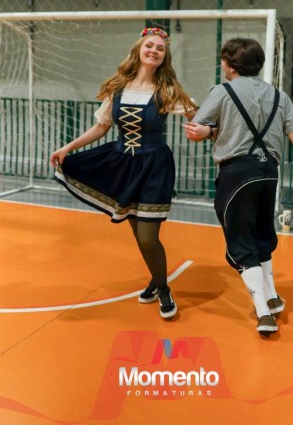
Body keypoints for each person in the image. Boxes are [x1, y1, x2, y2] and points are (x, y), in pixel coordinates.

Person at [50, 26, 197, 320]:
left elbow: (198, 117)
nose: (154, 51)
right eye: (149, 46)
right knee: (138, 234)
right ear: (138, 50)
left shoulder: (168, 90)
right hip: (123, 165)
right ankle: (156, 280)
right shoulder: (118, 88)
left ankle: (163, 289)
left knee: (148, 237)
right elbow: (102, 126)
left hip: (154, 166)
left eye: (160, 48)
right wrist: (68, 147)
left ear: (165, 57)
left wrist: (203, 131)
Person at [183, 38, 293, 336]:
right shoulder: (279, 95)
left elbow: (198, 127)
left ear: (229, 64)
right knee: (260, 235)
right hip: (269, 173)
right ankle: (271, 296)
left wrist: (191, 117)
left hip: (237, 173)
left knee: (241, 242)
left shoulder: (222, 91)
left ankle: (263, 313)